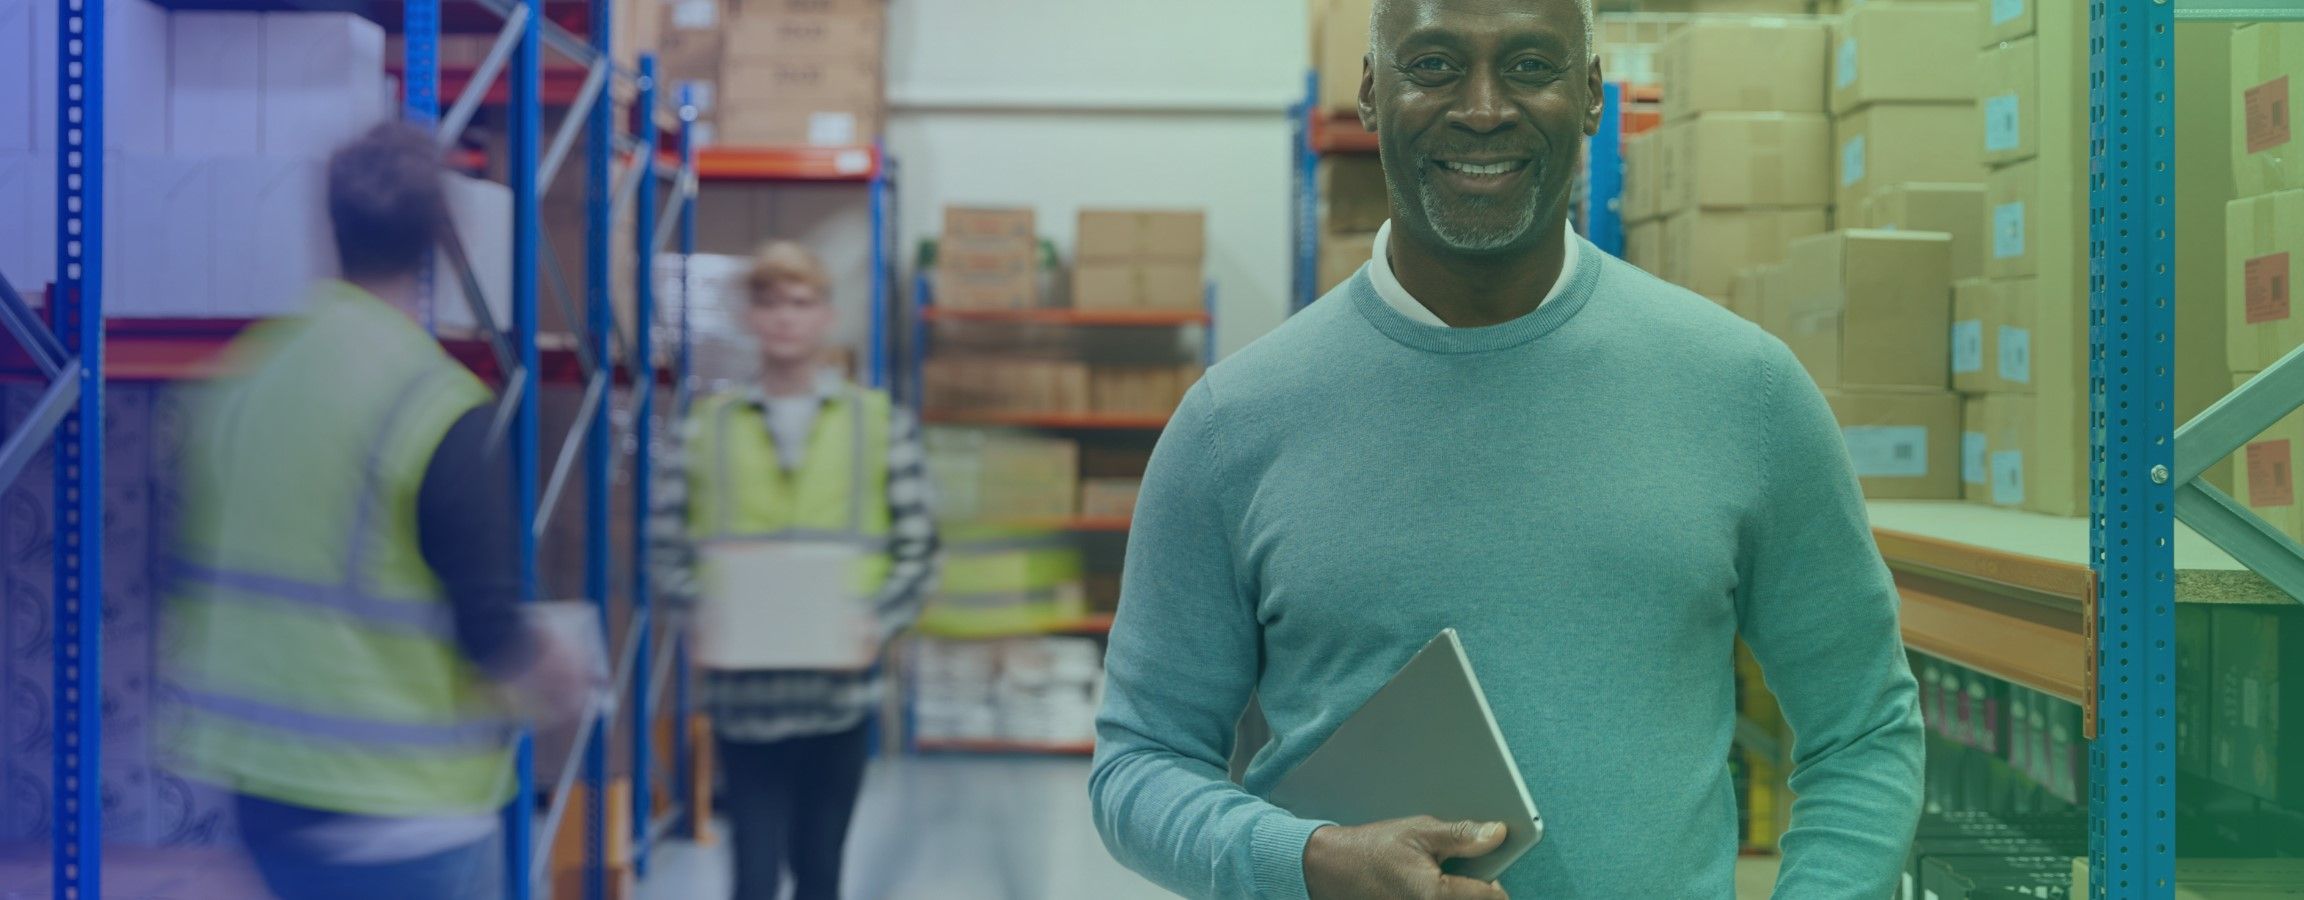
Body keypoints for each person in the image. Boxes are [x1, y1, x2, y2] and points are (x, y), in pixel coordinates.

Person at [1088, 0, 1925, 897]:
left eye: (1530, 64)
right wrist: (1304, 861)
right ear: (1372, 91)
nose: (1483, 108)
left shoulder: (1744, 393)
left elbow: (1864, 726)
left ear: (1594, 94)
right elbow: (1139, 762)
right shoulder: (1234, 425)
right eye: (1435, 64)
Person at [163, 123, 593, 900]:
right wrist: (564, 676)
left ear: (330, 225)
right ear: (440, 240)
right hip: (404, 809)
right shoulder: (433, 406)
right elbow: (490, 631)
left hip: (264, 794)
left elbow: (186, 569)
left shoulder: (239, 383)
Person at [651, 240, 938, 900]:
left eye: (801, 303)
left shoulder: (876, 425)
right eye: (771, 302)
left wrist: (878, 624)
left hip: (837, 700)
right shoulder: (706, 430)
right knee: (752, 876)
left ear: (826, 317)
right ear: (751, 316)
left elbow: (918, 550)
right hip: (744, 703)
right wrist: (701, 614)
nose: (786, 317)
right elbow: (666, 550)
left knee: (820, 873)